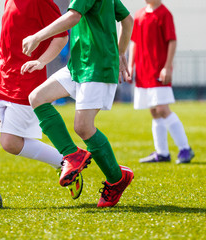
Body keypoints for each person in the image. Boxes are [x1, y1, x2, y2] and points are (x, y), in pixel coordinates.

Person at [0, 0, 81, 209]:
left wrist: (41, 62)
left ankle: (65, 163)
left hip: (25, 78)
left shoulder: (41, 2)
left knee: (10, 143)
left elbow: (61, 37)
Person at [21, 0, 134, 207]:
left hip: (97, 66)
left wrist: (37, 37)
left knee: (83, 127)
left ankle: (117, 179)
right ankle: (72, 154)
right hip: (78, 65)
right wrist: (121, 52)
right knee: (37, 98)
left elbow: (73, 16)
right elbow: (127, 20)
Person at [127, 0, 194, 164]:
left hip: (158, 70)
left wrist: (167, 67)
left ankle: (185, 149)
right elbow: (134, 42)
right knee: (154, 111)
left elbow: (172, 40)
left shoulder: (165, 14)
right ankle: (162, 153)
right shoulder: (139, 14)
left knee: (163, 108)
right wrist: (130, 65)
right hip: (143, 72)